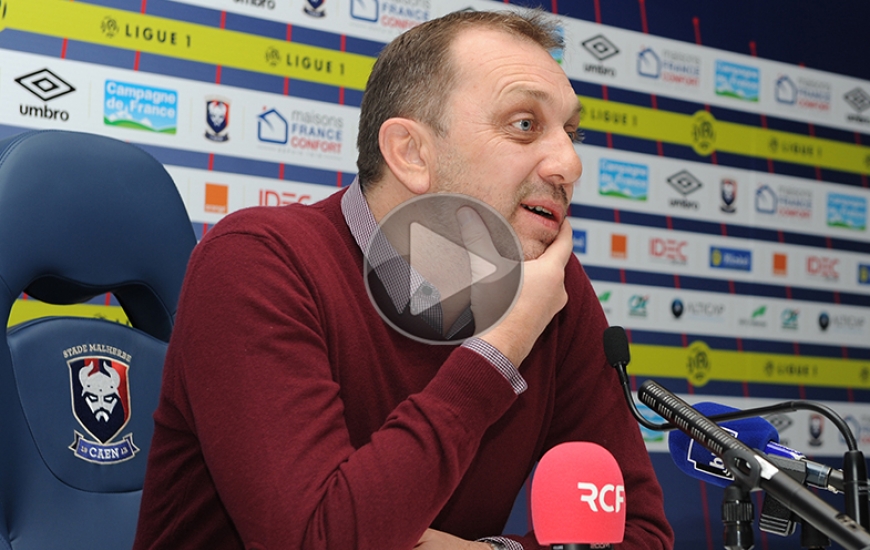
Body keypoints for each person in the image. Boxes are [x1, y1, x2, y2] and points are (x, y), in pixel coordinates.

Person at [133, 9, 674, 550]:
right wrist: (503, 345)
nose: (570, 163)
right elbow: (315, 540)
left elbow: (638, 533)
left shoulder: (551, 286)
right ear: (412, 154)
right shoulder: (258, 263)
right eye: (525, 124)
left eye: (571, 131)